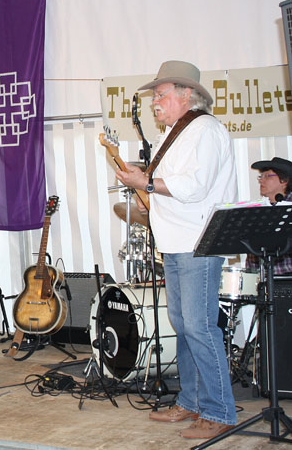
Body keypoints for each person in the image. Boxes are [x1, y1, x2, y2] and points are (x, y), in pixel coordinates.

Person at [115, 61, 238, 439]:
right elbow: (167, 185)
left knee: (199, 327)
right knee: (184, 326)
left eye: (161, 94)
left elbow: (194, 186)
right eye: (154, 95)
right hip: (176, 243)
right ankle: (191, 401)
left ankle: (219, 411)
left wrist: (146, 182)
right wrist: (144, 179)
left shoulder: (205, 129)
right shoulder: (175, 133)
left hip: (198, 242)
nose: (154, 102)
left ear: (187, 95)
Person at [245, 157, 292, 274]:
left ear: (284, 180)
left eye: (267, 176)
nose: (261, 181)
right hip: (260, 278)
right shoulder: (258, 210)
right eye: (261, 176)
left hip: (287, 277)